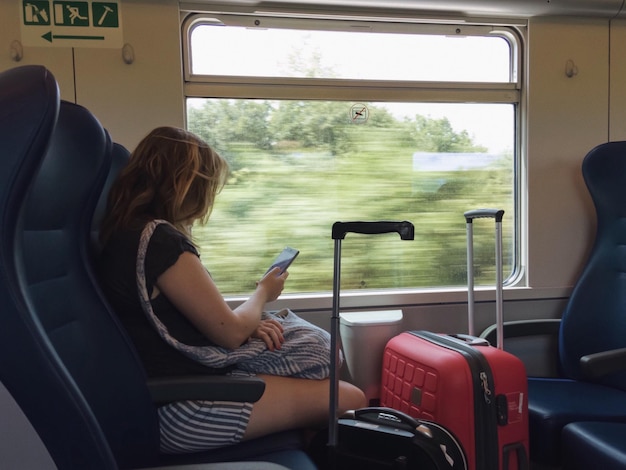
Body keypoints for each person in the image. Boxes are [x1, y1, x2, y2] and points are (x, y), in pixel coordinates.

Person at [97, 126, 366, 454]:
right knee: (350, 396)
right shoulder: (160, 242)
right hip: (185, 409)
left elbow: (197, 320)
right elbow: (229, 333)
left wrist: (248, 325)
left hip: (181, 390)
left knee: (323, 371)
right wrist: (264, 293)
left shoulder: (127, 232)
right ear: (185, 186)